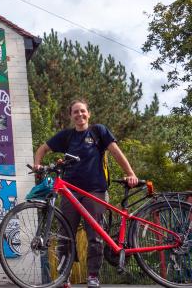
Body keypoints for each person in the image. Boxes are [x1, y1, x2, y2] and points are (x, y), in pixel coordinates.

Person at [33, 99, 138, 288]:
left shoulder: (99, 132)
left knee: (95, 237)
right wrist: (37, 164)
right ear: (71, 116)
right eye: (75, 112)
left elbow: (116, 152)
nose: (79, 115)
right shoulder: (67, 136)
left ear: (88, 113)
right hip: (70, 193)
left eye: (82, 111)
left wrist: (130, 173)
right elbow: (43, 148)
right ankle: (64, 277)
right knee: (66, 236)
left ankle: (93, 276)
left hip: (95, 192)